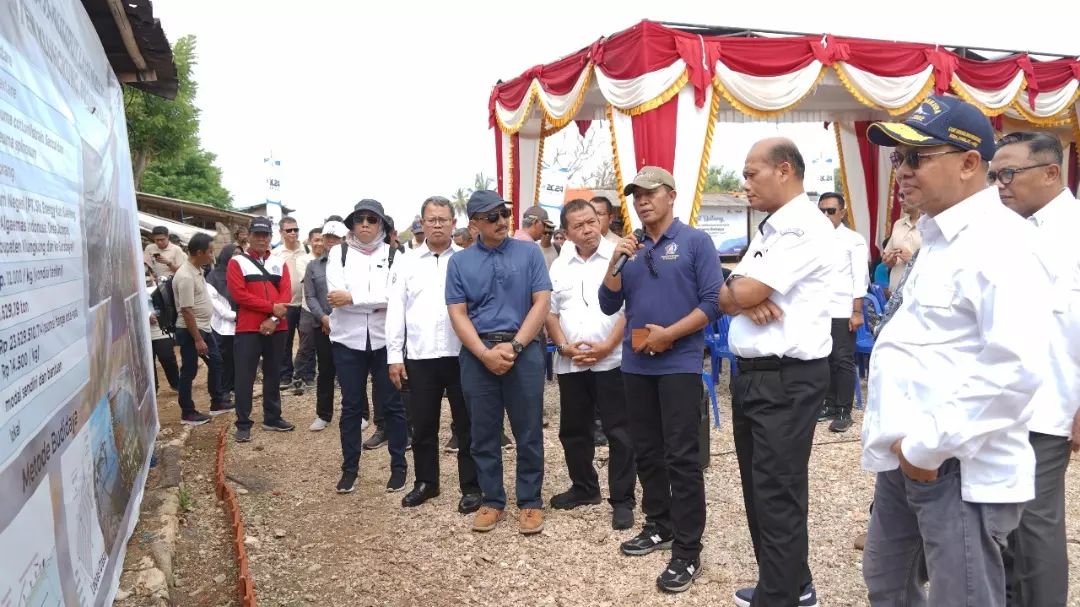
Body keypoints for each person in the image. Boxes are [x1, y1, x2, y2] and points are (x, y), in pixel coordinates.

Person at [860, 96, 1052, 606]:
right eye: (897, 157)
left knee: (961, 597)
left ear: (970, 163)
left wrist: (928, 448)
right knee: (886, 581)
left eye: (916, 157)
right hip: (910, 455)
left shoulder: (1002, 242)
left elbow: (1016, 367)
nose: (901, 170)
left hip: (955, 464)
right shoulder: (942, 237)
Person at [717, 139, 834, 606]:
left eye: (751, 174)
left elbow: (738, 294)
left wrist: (742, 294)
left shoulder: (803, 227)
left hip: (786, 377)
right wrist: (739, 293)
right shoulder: (771, 229)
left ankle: (780, 596)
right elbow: (726, 292)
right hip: (757, 375)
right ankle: (789, 581)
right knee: (759, 486)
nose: (745, 185)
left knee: (776, 490)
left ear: (784, 170)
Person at [598, 166, 722, 593]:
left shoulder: (694, 242)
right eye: (636, 196)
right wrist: (617, 257)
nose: (642, 201)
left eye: (650, 193)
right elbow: (607, 300)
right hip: (636, 364)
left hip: (679, 363)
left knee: (682, 458)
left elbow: (713, 302)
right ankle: (659, 523)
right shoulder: (628, 248)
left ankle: (687, 550)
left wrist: (670, 334)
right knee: (646, 451)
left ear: (671, 195)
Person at [991, 131, 1080, 607]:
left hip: (1048, 404)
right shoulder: (1015, 231)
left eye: (1009, 174)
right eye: (994, 175)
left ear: (1051, 173)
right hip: (1004, 401)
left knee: (1035, 528)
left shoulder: (1073, 231)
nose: (1000, 185)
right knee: (1003, 524)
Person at [446, 190, 551, 535]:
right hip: (479, 354)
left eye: (504, 214)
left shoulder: (529, 252)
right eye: (492, 217)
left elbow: (541, 303)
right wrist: (484, 354)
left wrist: (517, 346)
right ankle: (492, 499)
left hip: (524, 351)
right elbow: (457, 314)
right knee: (482, 432)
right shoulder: (459, 262)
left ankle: (530, 501)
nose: (502, 222)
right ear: (474, 223)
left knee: (529, 430)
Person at [546, 199, 638, 530]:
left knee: (620, 432)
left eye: (592, 221)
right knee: (573, 430)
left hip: (612, 360)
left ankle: (623, 499)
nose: (588, 229)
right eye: (579, 225)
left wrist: (608, 346)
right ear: (566, 232)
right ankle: (584, 487)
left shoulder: (620, 254)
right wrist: (563, 346)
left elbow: (630, 309)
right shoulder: (560, 265)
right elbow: (550, 311)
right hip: (572, 362)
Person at [386, 196, 482, 512]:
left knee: (467, 424)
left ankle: (472, 486)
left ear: (454, 224)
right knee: (423, 424)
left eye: (443, 219)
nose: (437, 224)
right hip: (420, 355)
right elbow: (395, 310)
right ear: (422, 223)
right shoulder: (406, 261)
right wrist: (394, 356)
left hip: (462, 354)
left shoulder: (468, 259)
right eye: (432, 219)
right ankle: (426, 482)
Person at [326, 199, 409, 494]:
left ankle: (398, 467)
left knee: (393, 405)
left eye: (371, 220)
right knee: (351, 407)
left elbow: (394, 297)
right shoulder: (339, 252)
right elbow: (335, 295)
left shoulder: (396, 254)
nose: (364, 224)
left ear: (381, 225)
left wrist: (355, 298)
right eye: (359, 218)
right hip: (347, 341)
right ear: (351, 224)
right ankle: (350, 469)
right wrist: (370, 299)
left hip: (385, 340)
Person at [226, 216, 297, 442]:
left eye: (265, 234)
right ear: (249, 235)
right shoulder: (237, 262)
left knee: (274, 373)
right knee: (245, 376)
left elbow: (287, 294)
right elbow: (239, 295)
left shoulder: (279, 263)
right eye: (257, 234)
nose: (261, 239)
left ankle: (272, 417)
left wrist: (273, 319)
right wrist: (271, 309)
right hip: (248, 328)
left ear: (271, 236)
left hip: (278, 326)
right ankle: (243, 423)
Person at [816, 192, 868, 433]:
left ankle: (844, 410)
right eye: (822, 211)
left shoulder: (853, 240)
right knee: (823, 358)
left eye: (831, 211)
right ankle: (828, 404)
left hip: (843, 309)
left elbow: (860, 278)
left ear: (843, 212)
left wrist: (857, 312)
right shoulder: (814, 238)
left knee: (842, 360)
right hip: (820, 309)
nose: (826, 215)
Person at [172, 233, 233, 425]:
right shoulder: (185, 276)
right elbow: (186, 310)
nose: (212, 255)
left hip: (204, 328)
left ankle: (217, 402)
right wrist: (198, 339)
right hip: (191, 331)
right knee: (189, 371)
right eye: (210, 251)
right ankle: (187, 412)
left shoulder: (197, 270)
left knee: (216, 362)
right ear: (199, 252)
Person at [303, 220, 349, 432]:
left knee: (351, 371)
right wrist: (324, 318)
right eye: (327, 237)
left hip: (349, 326)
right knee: (326, 371)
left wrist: (337, 320)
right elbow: (310, 296)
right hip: (323, 326)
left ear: (343, 239)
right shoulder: (313, 266)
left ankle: (359, 414)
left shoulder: (351, 264)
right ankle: (324, 414)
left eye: (335, 238)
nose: (330, 242)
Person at [272, 216, 313, 393]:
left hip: (305, 302)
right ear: (281, 232)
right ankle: (285, 375)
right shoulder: (275, 254)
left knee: (308, 341)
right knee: (285, 341)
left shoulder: (307, 250)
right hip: (286, 304)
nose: (293, 233)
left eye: (296, 229)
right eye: (289, 230)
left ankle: (307, 375)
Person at [290, 227, 323, 395]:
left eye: (321, 239)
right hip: (308, 308)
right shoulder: (304, 260)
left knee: (327, 345)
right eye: (316, 240)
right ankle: (297, 377)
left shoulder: (329, 259)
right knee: (306, 345)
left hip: (326, 309)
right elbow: (309, 282)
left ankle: (316, 377)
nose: (319, 243)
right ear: (310, 242)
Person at [206, 244, 240, 402]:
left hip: (240, 326)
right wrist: (238, 316)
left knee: (236, 359)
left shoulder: (241, 274)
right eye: (234, 254)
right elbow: (218, 308)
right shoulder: (213, 277)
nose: (238, 257)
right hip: (222, 327)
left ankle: (233, 388)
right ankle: (222, 393)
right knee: (223, 361)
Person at [148, 276, 179, 394]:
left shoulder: (161, 286)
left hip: (161, 329)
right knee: (148, 362)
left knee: (167, 356)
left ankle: (176, 383)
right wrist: (147, 315)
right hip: (142, 331)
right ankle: (153, 389)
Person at [883, 197, 922, 293]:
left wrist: (913, 260)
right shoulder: (898, 224)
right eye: (899, 195)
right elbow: (886, 256)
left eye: (905, 195)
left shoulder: (931, 224)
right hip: (895, 290)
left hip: (918, 292)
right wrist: (889, 260)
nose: (900, 200)